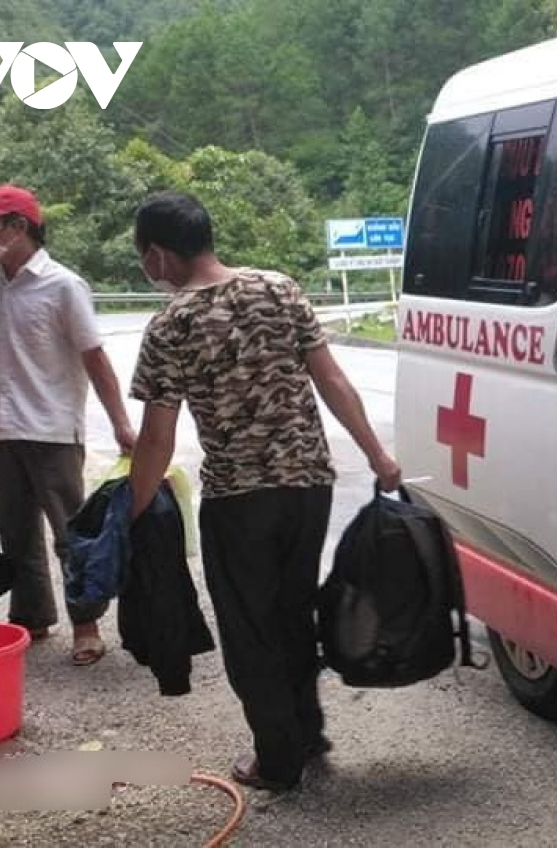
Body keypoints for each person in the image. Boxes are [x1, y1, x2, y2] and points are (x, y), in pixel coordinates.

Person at [125, 191, 401, 792]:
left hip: (239, 499)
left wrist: (134, 509)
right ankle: (306, 730)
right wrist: (378, 455)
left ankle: (278, 761)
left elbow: (156, 438)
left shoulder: (172, 323)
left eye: (145, 257)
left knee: (252, 633)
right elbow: (332, 380)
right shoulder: (278, 288)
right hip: (308, 487)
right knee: (293, 613)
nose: (148, 269)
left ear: (161, 255)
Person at [0, 183, 137, 666]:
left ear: (18, 228)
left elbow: (95, 360)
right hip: (2, 431)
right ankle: (32, 617)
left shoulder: (63, 286)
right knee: (15, 533)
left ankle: (86, 625)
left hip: (53, 431)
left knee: (70, 536)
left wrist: (122, 425)